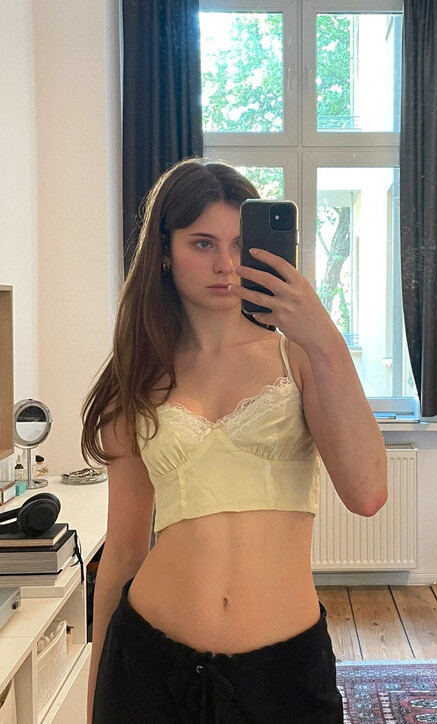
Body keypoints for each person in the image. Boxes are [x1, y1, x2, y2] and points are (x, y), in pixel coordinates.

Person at [81, 157, 388, 723]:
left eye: (239, 244)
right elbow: (122, 552)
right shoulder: (138, 375)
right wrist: (97, 696)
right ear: (165, 251)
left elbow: (367, 493)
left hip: (283, 674)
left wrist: (323, 336)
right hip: (149, 663)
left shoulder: (298, 355)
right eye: (202, 243)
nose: (226, 263)